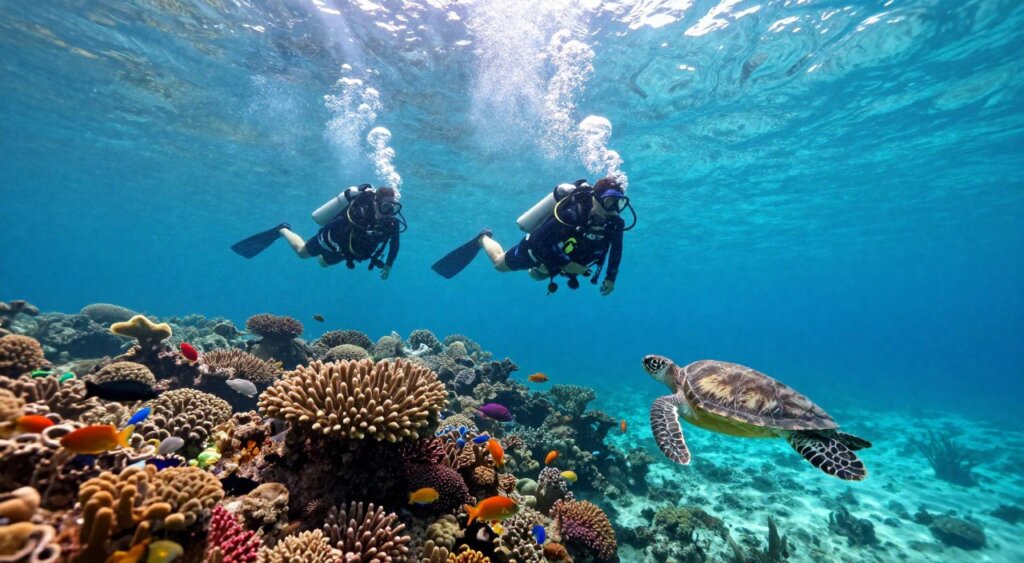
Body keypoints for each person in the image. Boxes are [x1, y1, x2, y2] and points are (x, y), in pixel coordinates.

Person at [432, 176, 634, 295]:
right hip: (538, 250)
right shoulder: (572, 213)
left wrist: (611, 278)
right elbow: (539, 241)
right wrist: (567, 264)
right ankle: (483, 238)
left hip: (566, 258)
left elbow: (617, 250)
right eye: (610, 202)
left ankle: (542, 269)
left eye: (620, 203)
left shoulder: (615, 223)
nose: (614, 210)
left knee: (537, 276)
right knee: (499, 265)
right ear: (596, 198)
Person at [231, 185, 404, 279]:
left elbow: (395, 245)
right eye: (386, 207)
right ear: (375, 203)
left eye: (393, 208)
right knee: (302, 253)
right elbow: (339, 225)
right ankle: (282, 229)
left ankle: (322, 253)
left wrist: (389, 265)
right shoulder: (360, 211)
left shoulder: (392, 223)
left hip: (347, 252)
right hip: (331, 239)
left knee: (322, 263)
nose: (389, 212)